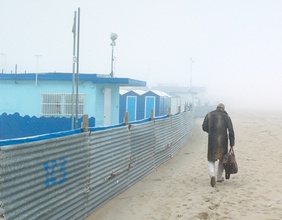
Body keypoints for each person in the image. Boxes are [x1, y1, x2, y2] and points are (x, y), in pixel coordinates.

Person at [202, 103, 235, 187]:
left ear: (216, 108)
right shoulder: (226, 117)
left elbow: (204, 127)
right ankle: (219, 177)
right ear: (223, 109)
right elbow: (231, 131)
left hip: (212, 140)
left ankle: (212, 176)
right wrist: (232, 143)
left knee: (211, 159)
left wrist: (211, 132)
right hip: (223, 141)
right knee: (222, 159)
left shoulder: (209, 114)